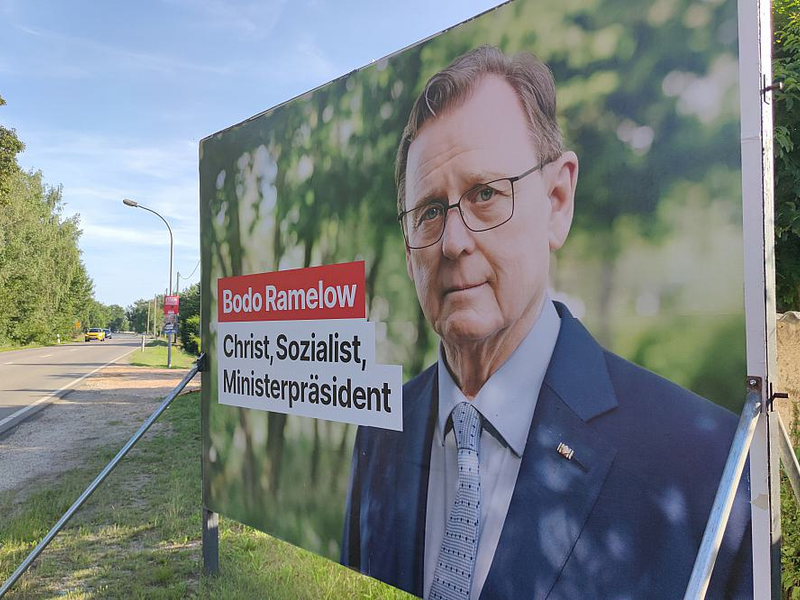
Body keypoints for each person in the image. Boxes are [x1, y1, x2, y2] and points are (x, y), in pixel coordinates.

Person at [341, 45, 751, 599]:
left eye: (486, 194)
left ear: (557, 200)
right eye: (429, 212)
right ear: (408, 246)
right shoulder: (380, 432)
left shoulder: (708, 468)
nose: (454, 242)